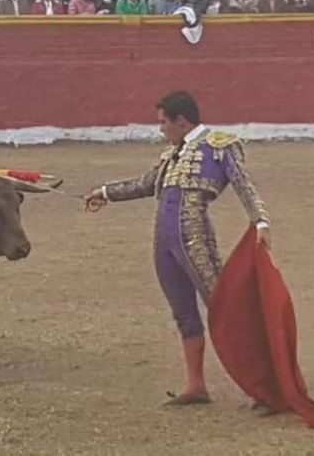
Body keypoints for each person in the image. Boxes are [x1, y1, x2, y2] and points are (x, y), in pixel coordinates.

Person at [84, 90, 272, 406]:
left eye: (163, 123)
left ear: (181, 121)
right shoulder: (173, 152)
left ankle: (261, 387)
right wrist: (105, 192)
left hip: (195, 237)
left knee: (225, 309)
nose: (160, 129)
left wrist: (261, 222)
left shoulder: (220, 146)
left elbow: (244, 185)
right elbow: (146, 183)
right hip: (164, 241)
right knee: (183, 312)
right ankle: (196, 386)